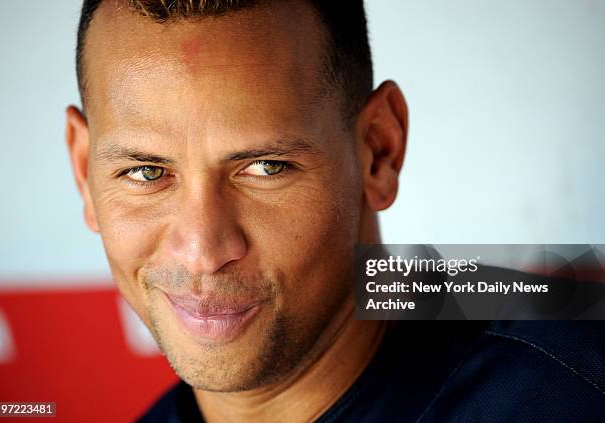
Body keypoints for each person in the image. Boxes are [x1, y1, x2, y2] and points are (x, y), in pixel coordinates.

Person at [66, 1, 604, 421]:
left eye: (266, 167)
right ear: (85, 171)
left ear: (378, 152)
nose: (203, 252)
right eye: (145, 172)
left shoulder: (573, 389)